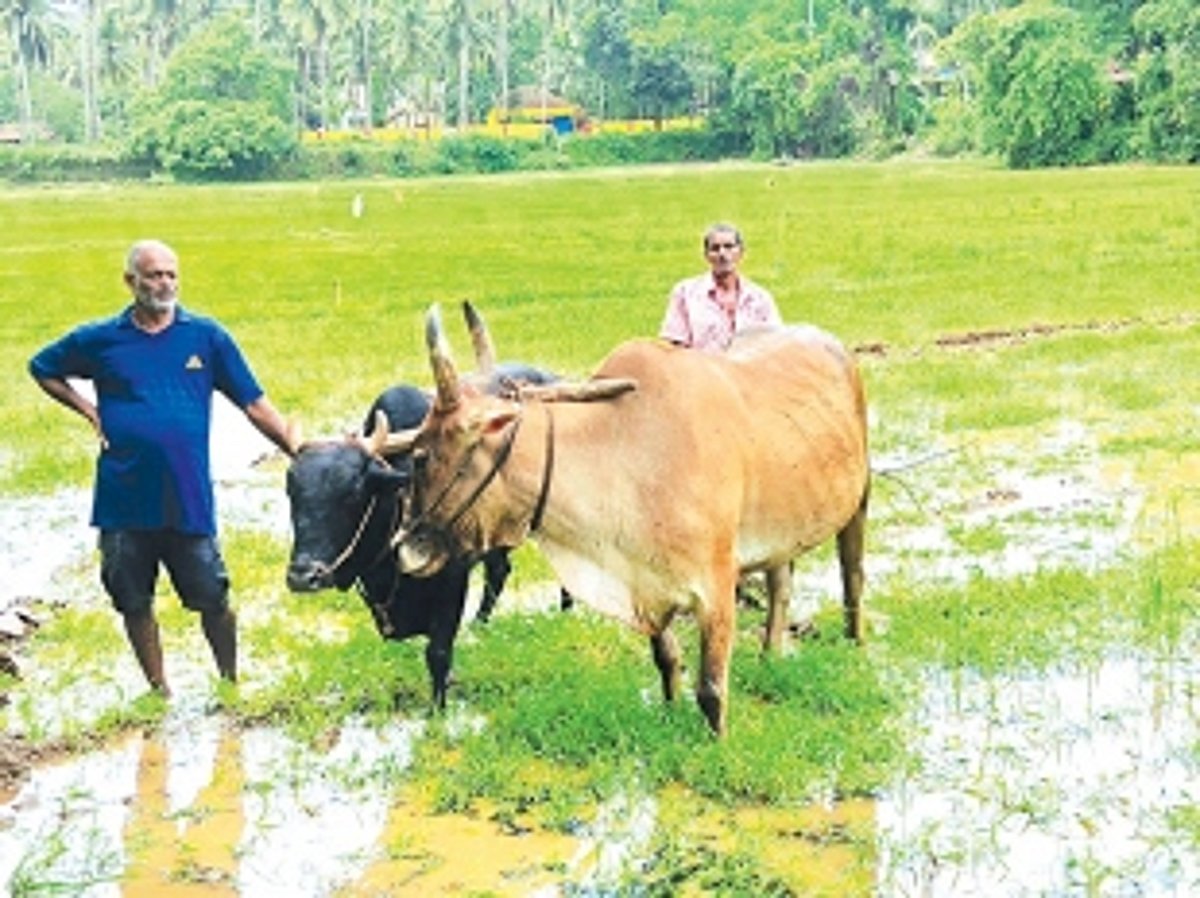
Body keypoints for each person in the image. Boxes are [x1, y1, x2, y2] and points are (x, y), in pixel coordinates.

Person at [28, 239, 296, 698]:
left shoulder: (206, 337)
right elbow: (42, 366)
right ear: (130, 281)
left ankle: (229, 681)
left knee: (212, 595)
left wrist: (298, 447)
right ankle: (159, 690)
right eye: (154, 275)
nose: (165, 283)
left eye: (172, 274)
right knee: (133, 600)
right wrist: (88, 409)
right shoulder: (100, 339)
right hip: (123, 498)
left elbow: (253, 404)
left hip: (185, 496)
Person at [659, 222, 783, 352]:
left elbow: (776, 346)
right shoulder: (685, 293)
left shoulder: (760, 298)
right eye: (715, 248)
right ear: (706, 255)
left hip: (745, 369)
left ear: (741, 252)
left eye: (729, 247)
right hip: (701, 369)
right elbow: (673, 345)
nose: (722, 254)